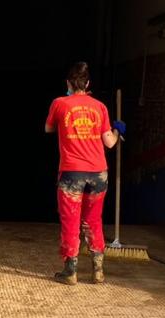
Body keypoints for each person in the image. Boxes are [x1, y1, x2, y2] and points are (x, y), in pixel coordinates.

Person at [44, 62, 124, 285]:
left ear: (68, 83)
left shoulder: (60, 103)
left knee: (71, 221)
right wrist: (118, 129)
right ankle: (98, 271)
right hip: (99, 173)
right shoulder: (100, 107)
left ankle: (71, 272)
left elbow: (48, 128)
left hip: (72, 172)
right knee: (93, 220)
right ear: (88, 83)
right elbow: (109, 142)